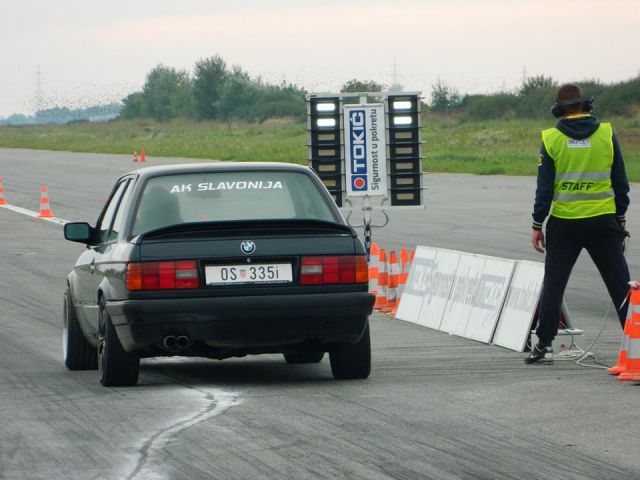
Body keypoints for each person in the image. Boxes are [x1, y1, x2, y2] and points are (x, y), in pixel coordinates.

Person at [527, 83, 631, 364]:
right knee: (621, 285)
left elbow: (544, 189)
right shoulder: (607, 133)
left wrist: (538, 223)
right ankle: (636, 342)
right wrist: (620, 217)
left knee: (554, 284)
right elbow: (620, 182)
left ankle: (544, 345)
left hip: (564, 224)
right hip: (603, 221)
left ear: (558, 110)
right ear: (586, 105)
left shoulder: (551, 139)